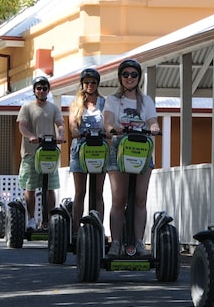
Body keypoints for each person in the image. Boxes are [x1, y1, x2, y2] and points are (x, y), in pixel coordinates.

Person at [103, 59, 160, 257]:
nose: (129, 78)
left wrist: (154, 127)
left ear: (139, 77)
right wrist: (111, 128)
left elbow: (153, 121)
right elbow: (108, 120)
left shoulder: (146, 101)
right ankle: (116, 242)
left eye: (133, 74)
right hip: (119, 147)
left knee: (140, 198)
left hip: (141, 149)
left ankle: (138, 242)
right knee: (118, 198)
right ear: (120, 77)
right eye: (125, 74)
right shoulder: (112, 100)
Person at [18, 75, 65, 230]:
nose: (42, 91)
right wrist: (31, 136)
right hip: (31, 153)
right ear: (34, 90)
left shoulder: (53, 108)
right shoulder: (27, 107)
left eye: (45, 88)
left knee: (50, 188)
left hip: (49, 152)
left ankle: (49, 221)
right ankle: (31, 219)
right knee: (30, 188)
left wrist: (61, 135)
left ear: (48, 90)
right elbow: (22, 126)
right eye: (39, 88)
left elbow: (60, 124)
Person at [68, 68, 106, 241]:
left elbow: (110, 123)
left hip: (99, 149)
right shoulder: (76, 104)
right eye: (87, 82)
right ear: (82, 84)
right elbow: (72, 126)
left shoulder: (104, 103)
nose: (90, 85)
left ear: (97, 84)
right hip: (80, 149)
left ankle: (98, 227)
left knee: (98, 192)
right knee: (80, 191)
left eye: (93, 82)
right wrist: (76, 132)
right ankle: (76, 230)